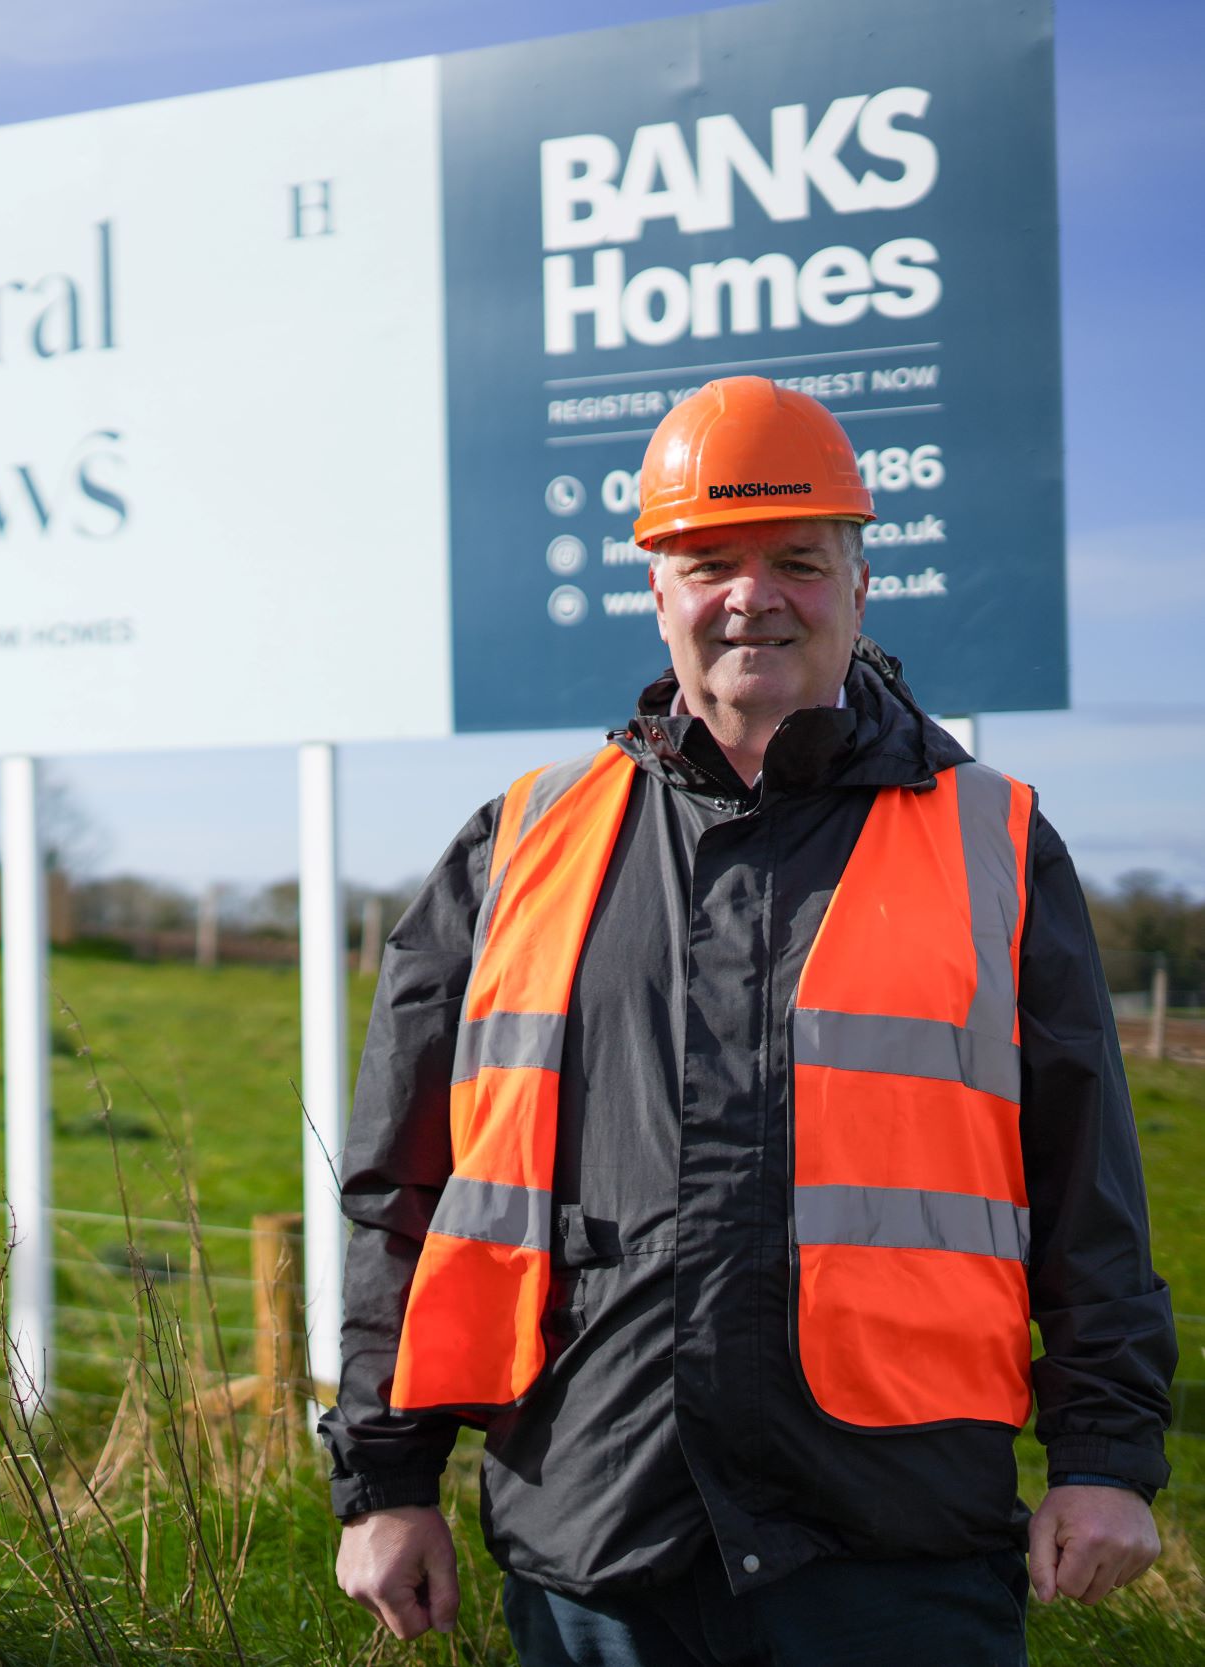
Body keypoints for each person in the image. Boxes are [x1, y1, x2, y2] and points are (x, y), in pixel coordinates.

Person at [321, 378, 1174, 1665]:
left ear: (860, 584)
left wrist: (1105, 1451)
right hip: (598, 1538)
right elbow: (406, 1188)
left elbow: (1086, 1183)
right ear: (654, 587)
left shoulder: (994, 840)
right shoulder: (519, 841)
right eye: (709, 561)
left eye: (797, 560)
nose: (751, 595)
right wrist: (385, 1476)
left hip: (894, 1542)